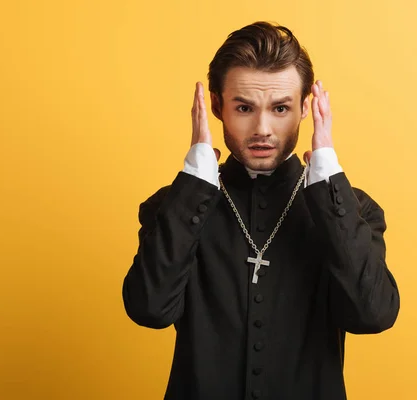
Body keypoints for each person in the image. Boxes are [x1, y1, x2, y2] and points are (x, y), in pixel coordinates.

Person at [122, 21, 400, 400]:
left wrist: (326, 170)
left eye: (281, 108)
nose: (262, 128)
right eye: (244, 107)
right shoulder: (173, 207)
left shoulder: (353, 210)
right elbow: (150, 310)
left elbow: (372, 316)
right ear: (217, 106)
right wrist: (198, 173)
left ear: (306, 108)